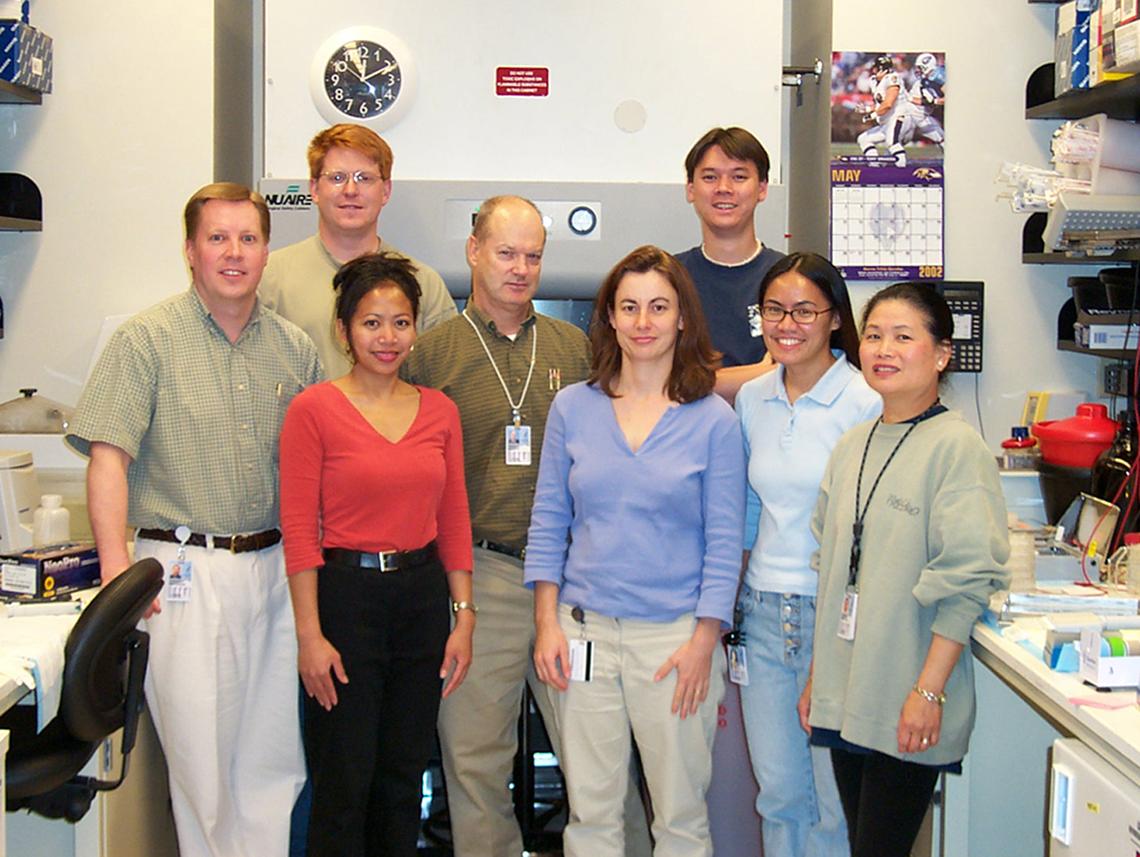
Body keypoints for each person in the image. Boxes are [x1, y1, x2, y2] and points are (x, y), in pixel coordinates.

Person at [66, 182, 323, 857]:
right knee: (201, 762)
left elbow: (316, 470)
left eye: (248, 238)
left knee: (274, 761)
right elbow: (108, 460)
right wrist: (118, 574)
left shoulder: (295, 349)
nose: (234, 253)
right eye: (218, 238)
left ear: (266, 251)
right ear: (189, 250)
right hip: (182, 571)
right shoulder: (145, 340)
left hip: (275, 569)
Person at [403, 195, 651, 857]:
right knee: (473, 759)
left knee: (597, 755)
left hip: (571, 579)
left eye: (533, 256)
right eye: (506, 252)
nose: (520, 268)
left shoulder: (577, 349)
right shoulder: (431, 355)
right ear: (473, 251)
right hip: (478, 575)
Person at [527, 245, 745, 856]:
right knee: (591, 816)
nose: (643, 321)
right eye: (629, 307)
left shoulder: (713, 420)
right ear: (610, 317)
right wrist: (547, 624)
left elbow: (725, 542)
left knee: (679, 819)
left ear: (683, 318)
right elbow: (549, 520)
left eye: (658, 307)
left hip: (674, 643)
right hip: (583, 633)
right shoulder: (573, 407)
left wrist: (704, 642)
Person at [800, 283, 1010, 857]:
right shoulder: (853, 445)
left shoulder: (957, 448)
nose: (883, 350)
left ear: (941, 354)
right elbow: (831, 569)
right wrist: (820, 677)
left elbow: (968, 580)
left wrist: (928, 692)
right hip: (848, 691)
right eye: (873, 336)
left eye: (902, 336)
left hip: (906, 693)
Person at [278, 252, 474, 857]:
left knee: (402, 777)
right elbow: (299, 530)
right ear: (344, 331)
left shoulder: (440, 411)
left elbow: (453, 519)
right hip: (346, 600)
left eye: (400, 322)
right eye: (371, 322)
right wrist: (310, 636)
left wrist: (463, 615)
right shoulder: (313, 409)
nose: (387, 337)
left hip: (420, 600)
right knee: (343, 779)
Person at [733, 253, 881, 857]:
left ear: (835, 319)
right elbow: (749, 510)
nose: (786, 324)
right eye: (774, 310)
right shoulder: (752, 399)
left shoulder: (866, 401)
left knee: (832, 800)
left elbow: (870, 534)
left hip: (834, 617)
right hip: (763, 614)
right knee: (778, 794)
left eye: (804, 311)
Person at [260, 122, 457, 377]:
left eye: (364, 178)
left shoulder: (424, 284)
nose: (350, 190)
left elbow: (443, 378)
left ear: (386, 191)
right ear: (314, 189)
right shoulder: (270, 279)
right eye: (337, 178)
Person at [676, 126, 785, 404]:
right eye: (710, 177)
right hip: (686, 428)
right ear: (691, 189)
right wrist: (762, 373)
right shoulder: (669, 279)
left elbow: (801, 375)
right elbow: (658, 383)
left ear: (762, 188)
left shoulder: (790, 279)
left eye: (739, 177)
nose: (724, 189)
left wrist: (701, 382)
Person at [857, 55, 911, 167]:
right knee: (864, 139)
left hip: (899, 118)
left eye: (875, 68)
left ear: (881, 68)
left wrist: (872, 115)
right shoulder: (874, 81)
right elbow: (879, 104)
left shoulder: (892, 78)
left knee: (892, 143)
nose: (873, 70)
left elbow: (888, 104)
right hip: (888, 122)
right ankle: (875, 166)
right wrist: (867, 109)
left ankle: (903, 171)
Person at [904, 53, 946, 148]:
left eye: (920, 67)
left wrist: (936, 101)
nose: (918, 70)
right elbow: (925, 101)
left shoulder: (938, 77)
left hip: (922, 116)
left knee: (942, 139)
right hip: (918, 116)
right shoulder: (926, 79)